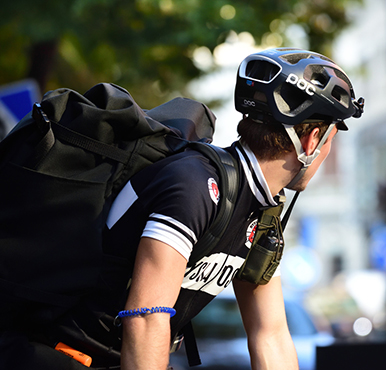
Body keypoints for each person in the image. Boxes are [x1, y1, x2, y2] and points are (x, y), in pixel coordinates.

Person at [2, 47, 364, 370]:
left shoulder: (264, 213)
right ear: (312, 139)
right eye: (333, 136)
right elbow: (146, 315)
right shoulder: (196, 185)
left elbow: (270, 335)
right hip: (58, 356)